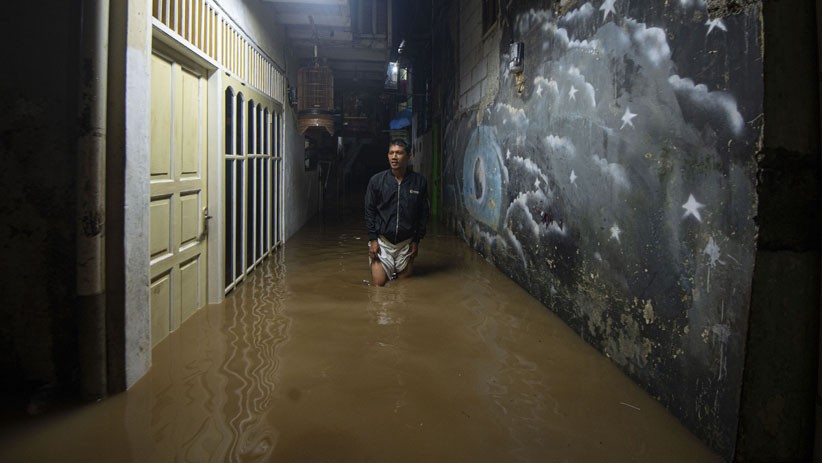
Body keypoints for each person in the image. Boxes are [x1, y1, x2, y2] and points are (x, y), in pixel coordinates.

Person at [365, 139, 430, 286]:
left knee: (403, 286)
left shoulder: (419, 182)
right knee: (378, 283)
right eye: (391, 153)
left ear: (409, 156)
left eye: (399, 153)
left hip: (406, 243)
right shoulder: (376, 181)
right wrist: (373, 239)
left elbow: (423, 213)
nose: (394, 157)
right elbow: (370, 211)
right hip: (383, 242)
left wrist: (416, 241)